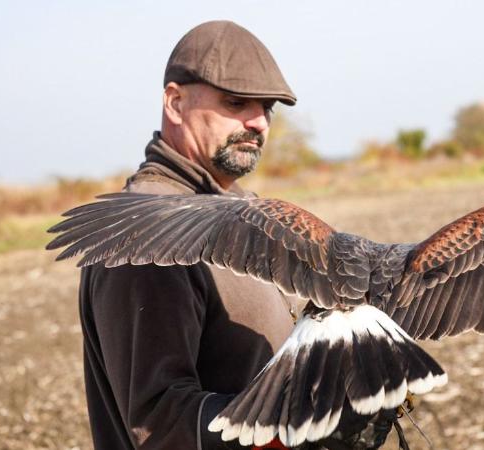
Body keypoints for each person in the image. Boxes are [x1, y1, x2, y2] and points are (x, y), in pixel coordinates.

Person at [78, 21, 393, 450]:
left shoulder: (243, 207)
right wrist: (295, 430)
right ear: (174, 101)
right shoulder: (148, 230)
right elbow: (161, 426)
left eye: (267, 108)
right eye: (236, 101)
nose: (259, 121)